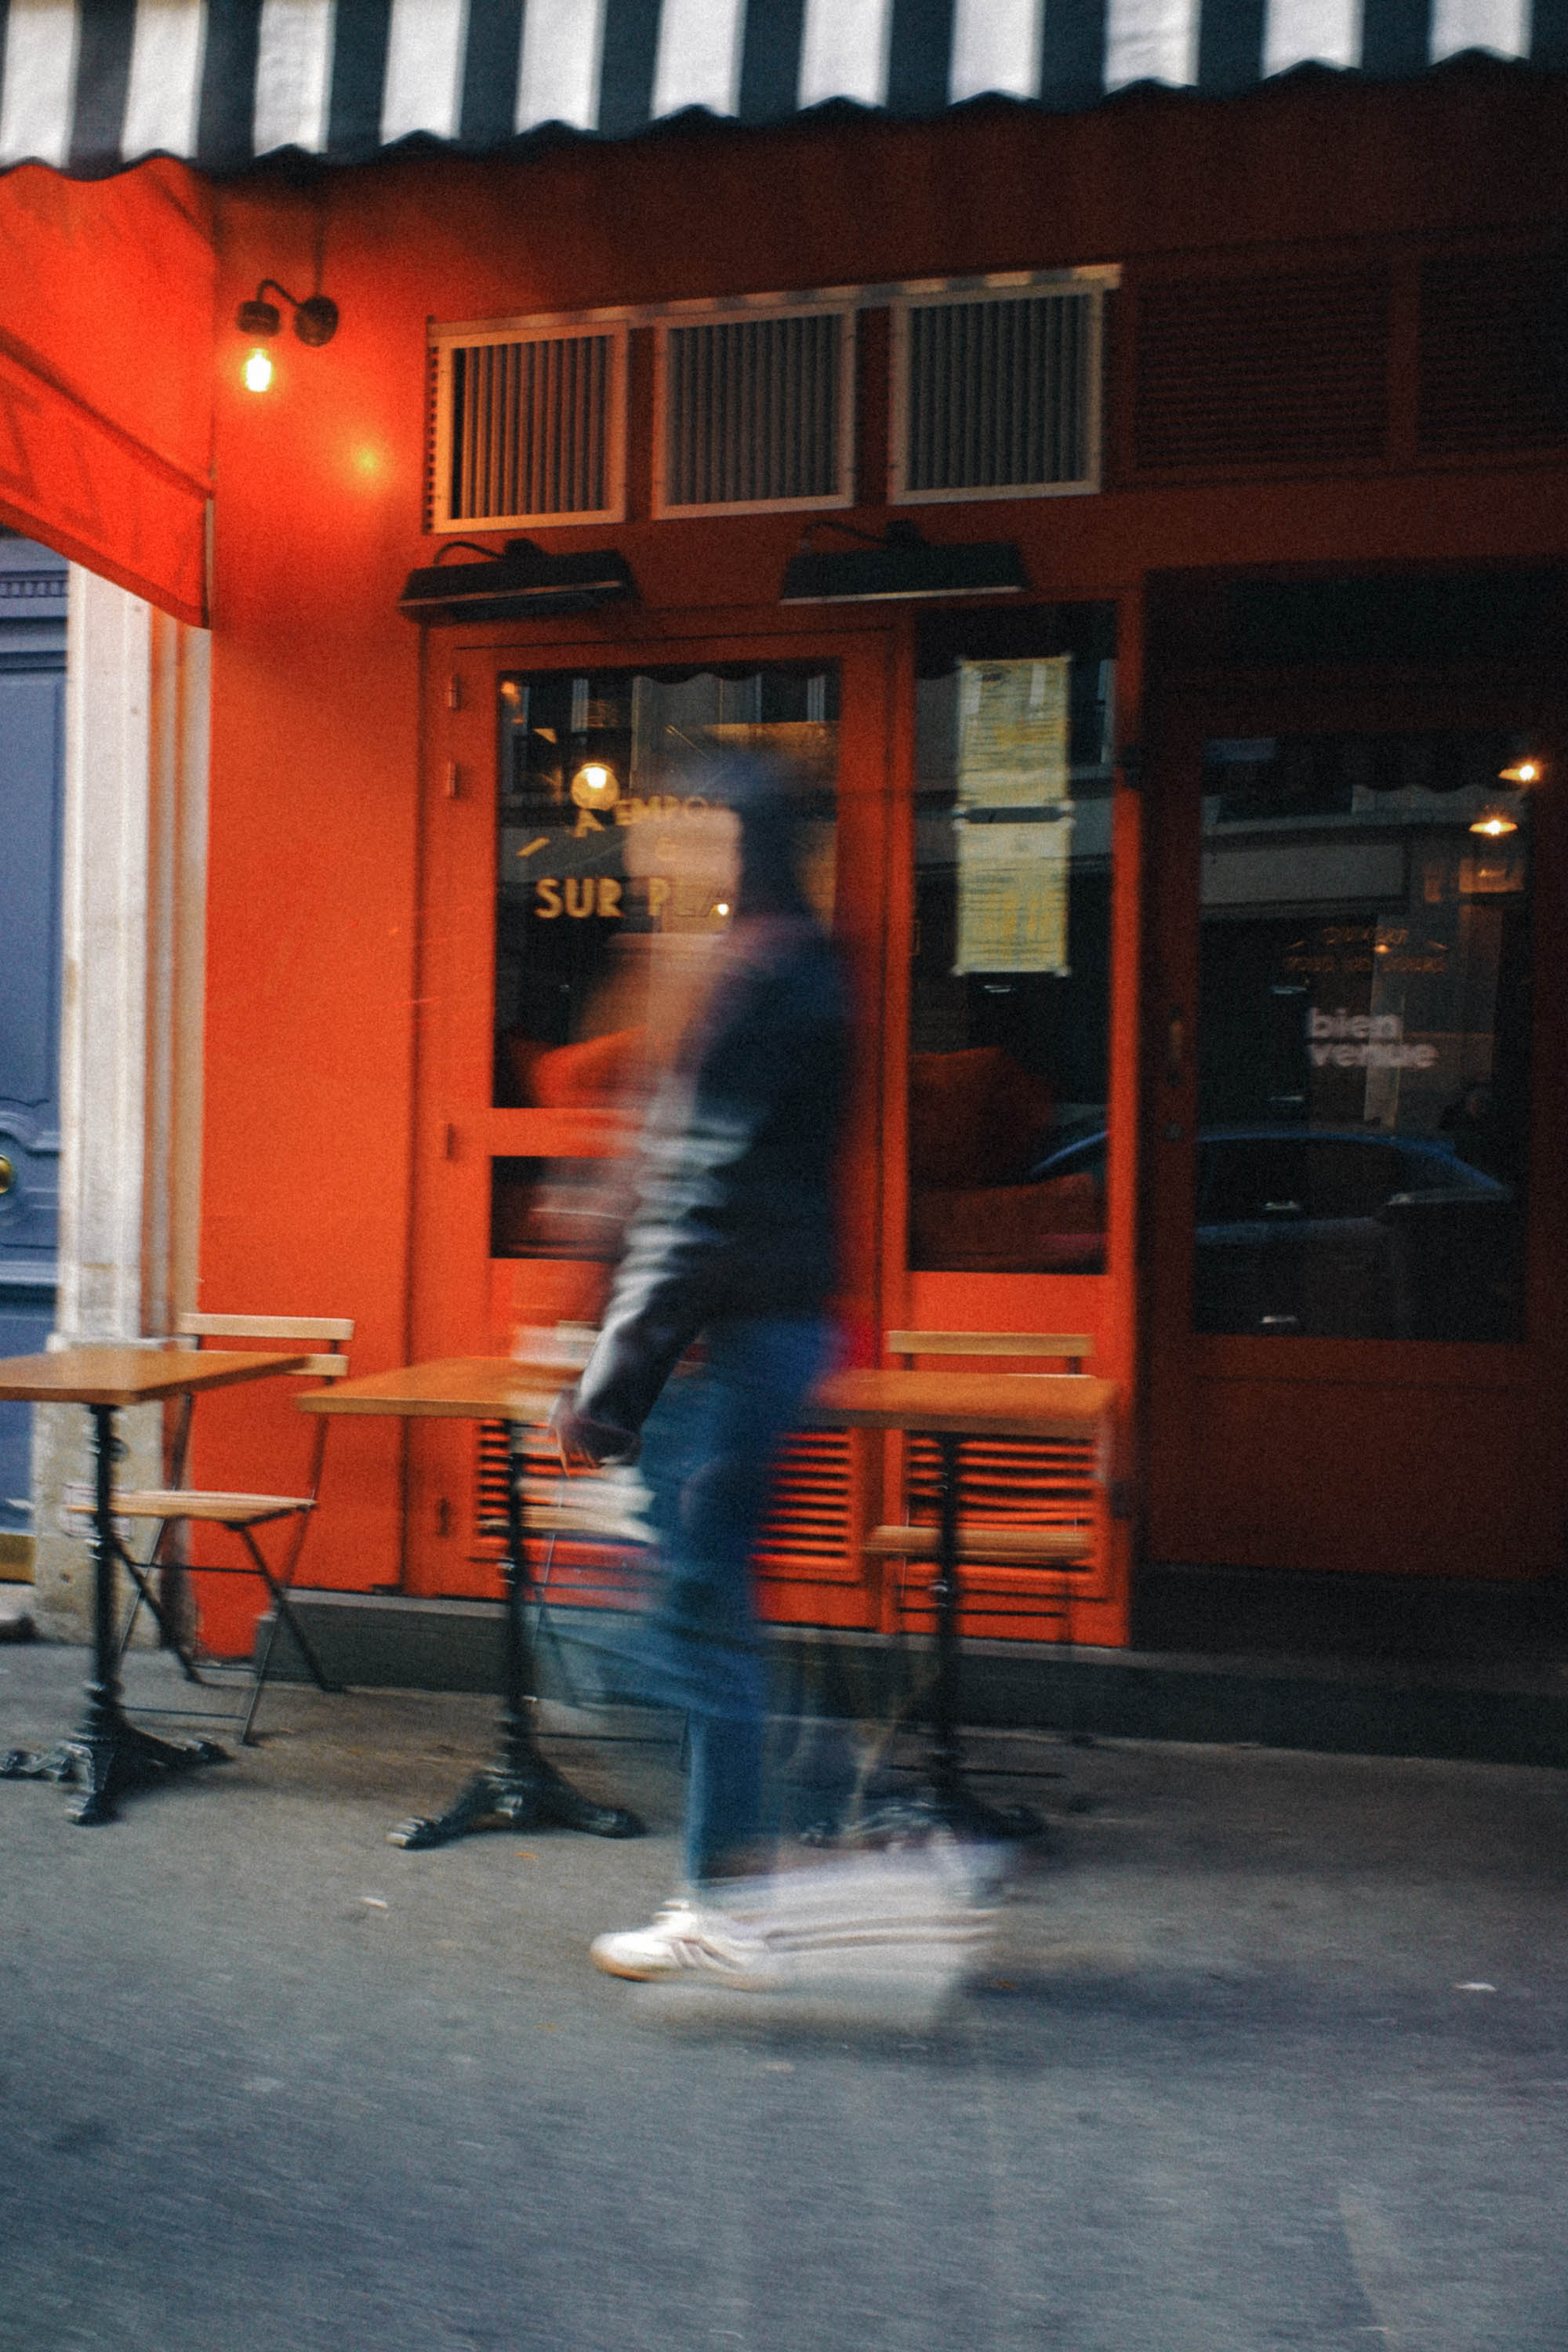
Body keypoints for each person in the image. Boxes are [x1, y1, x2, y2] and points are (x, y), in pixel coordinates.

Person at [550, 757, 851, 1981]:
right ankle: (786, 1839)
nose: (652, 859)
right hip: (748, 1338)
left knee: (668, 1614)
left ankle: (752, 1880)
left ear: (739, 847)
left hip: (733, 1348)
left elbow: (691, 1206)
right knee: (686, 1605)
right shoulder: (774, 972)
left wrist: (608, 1392)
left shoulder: (765, 983)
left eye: (679, 836)